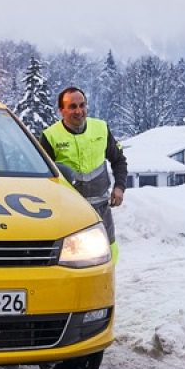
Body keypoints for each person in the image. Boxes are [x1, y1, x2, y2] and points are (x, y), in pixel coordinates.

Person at [39, 87, 128, 257]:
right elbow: (42, 177)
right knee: (73, 259)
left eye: (82, 105)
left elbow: (119, 160)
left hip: (101, 211)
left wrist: (119, 187)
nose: (79, 111)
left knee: (109, 254)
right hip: (67, 214)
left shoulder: (101, 129)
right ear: (61, 110)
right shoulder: (50, 137)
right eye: (72, 107)